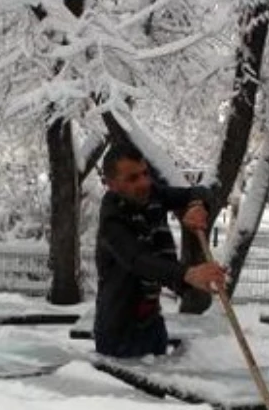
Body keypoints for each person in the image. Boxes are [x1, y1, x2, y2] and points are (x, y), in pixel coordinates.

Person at [94, 145, 226, 358]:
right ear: (111, 184)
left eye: (145, 173)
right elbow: (138, 261)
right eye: (132, 178)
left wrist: (197, 205)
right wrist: (188, 274)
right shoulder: (112, 219)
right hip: (119, 334)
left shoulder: (152, 195)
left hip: (153, 324)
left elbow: (199, 192)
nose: (144, 182)